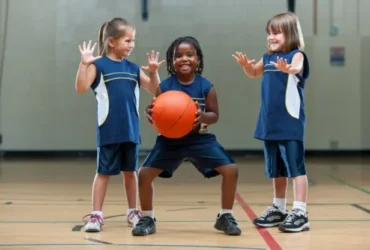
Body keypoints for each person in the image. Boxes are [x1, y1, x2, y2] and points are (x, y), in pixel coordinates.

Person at [131, 36, 242, 236]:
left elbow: (215, 115)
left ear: (198, 59)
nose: (184, 59)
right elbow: (156, 113)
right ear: (172, 61)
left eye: (190, 55)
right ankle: (147, 217)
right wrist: (152, 114)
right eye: (179, 55)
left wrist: (202, 116)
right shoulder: (164, 87)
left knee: (231, 169)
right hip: (169, 141)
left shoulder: (206, 86)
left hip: (199, 138)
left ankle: (225, 216)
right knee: (144, 174)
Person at [75, 17, 165, 232]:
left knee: (130, 172)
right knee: (103, 173)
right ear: (112, 42)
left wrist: (153, 72)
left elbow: (156, 91)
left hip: (131, 130)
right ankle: (96, 215)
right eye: (128, 40)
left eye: (133, 41)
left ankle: (133, 211)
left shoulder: (133, 68)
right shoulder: (99, 66)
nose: (131, 45)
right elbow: (80, 87)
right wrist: (84, 63)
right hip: (109, 130)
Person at [233, 12, 310, 233]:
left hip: (290, 124)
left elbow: (296, 67)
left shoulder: (297, 55)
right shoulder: (267, 58)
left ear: (290, 34)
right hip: (269, 123)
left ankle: (300, 211)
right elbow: (253, 73)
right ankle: (279, 207)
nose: (271, 37)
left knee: (296, 169)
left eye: (276, 33)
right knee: (277, 169)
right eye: (269, 33)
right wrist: (246, 66)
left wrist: (289, 70)